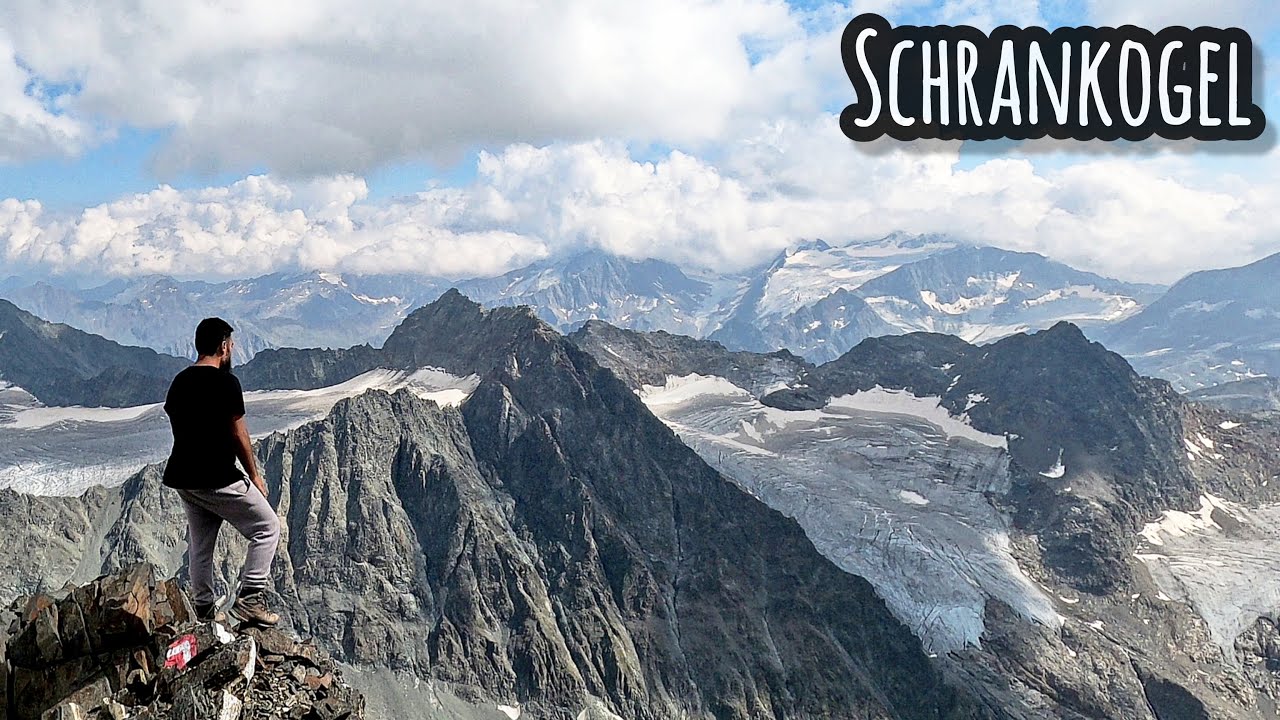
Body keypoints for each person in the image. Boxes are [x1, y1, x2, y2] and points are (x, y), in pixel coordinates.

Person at [162, 317, 280, 626]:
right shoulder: (227, 384)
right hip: (217, 477)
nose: (233, 349)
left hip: (184, 479)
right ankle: (251, 599)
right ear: (223, 347)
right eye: (231, 344)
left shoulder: (179, 382)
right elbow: (239, 434)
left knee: (200, 547)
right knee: (267, 528)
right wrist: (254, 475)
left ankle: (203, 610)